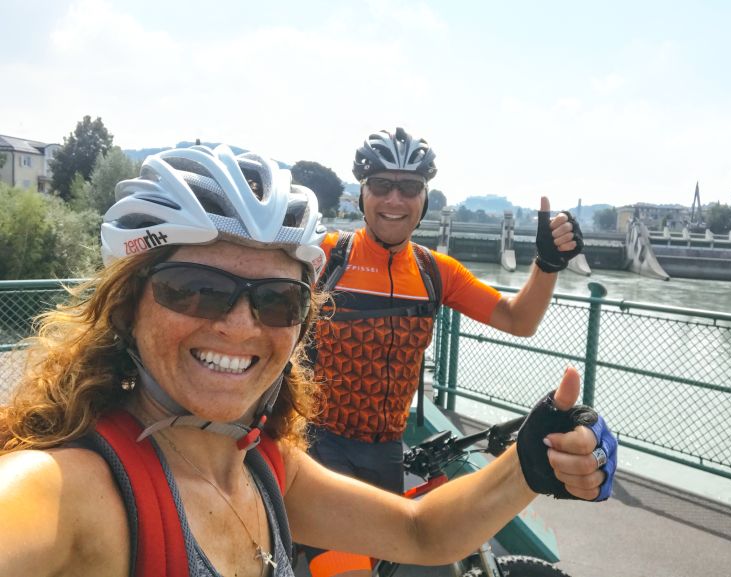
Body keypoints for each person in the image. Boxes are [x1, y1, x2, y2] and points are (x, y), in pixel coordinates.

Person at [0, 144, 615, 577]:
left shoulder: (265, 466)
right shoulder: (70, 490)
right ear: (128, 305)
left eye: (276, 301)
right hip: (321, 439)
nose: (239, 325)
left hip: (368, 446)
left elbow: (420, 530)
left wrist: (529, 465)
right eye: (194, 289)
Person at [305, 127, 587, 574]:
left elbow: (519, 320)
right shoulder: (323, 257)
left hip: (386, 452)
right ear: (362, 193)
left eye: (410, 188)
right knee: (341, 569)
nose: (394, 199)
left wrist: (547, 264)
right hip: (318, 448)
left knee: (381, 565)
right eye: (381, 185)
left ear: (424, 197)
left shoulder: (436, 272)